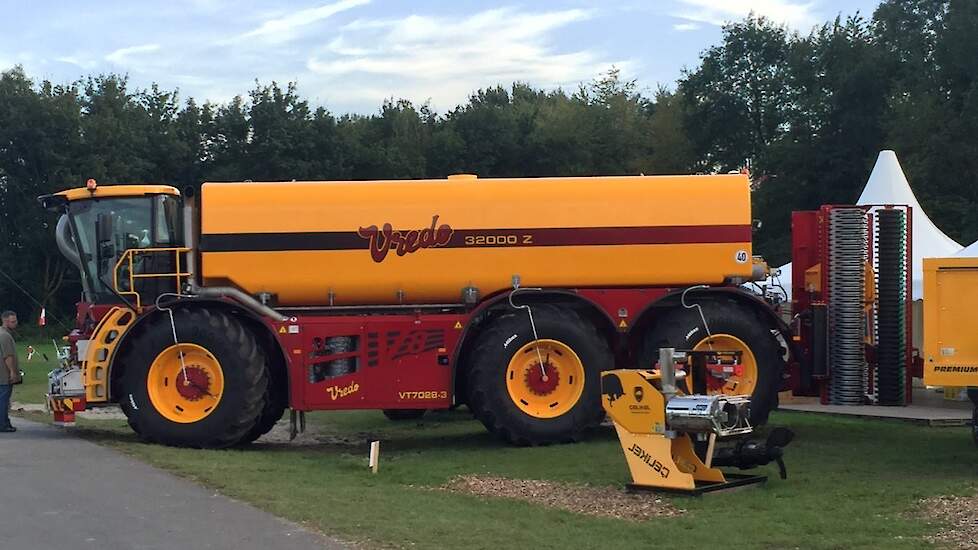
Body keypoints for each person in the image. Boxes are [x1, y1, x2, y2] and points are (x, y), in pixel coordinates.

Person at [0, 310, 20, 433]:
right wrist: (12, 372)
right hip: (4, 375)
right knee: (3, 401)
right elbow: (8, 356)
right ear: (6, 321)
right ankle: (3, 424)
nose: (15, 323)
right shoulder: (5, 336)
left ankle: (5, 422)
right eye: (13, 321)